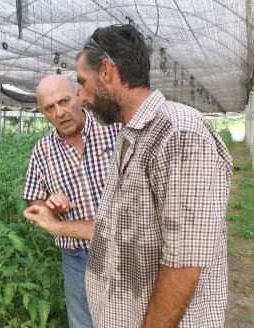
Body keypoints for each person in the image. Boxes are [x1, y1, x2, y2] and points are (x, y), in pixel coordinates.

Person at [25, 24, 233, 327]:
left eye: (82, 84)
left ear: (107, 71)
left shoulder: (178, 133)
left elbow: (185, 262)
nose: (81, 97)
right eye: (49, 107)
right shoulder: (133, 136)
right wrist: (54, 222)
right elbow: (119, 229)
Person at [23, 74, 120, 328]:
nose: (59, 113)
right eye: (49, 108)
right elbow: (35, 205)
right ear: (42, 112)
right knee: (83, 322)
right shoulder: (42, 152)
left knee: (131, 318)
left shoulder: (115, 131)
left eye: (64, 102)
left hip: (124, 250)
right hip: (76, 257)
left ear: (79, 96)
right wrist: (49, 207)